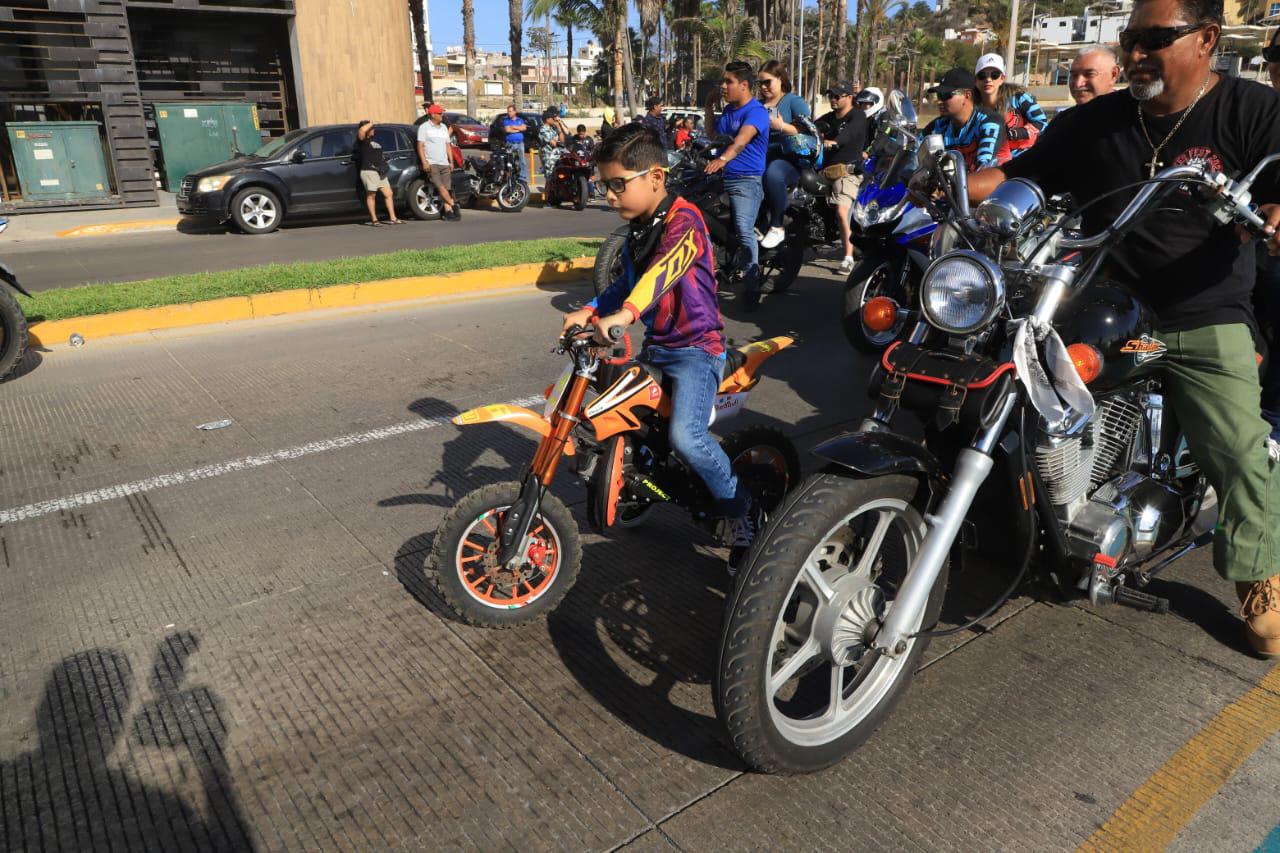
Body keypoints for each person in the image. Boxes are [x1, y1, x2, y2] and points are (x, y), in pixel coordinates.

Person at [967, 0, 1280, 657]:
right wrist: (962, 186)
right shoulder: (1095, 121)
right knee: (1003, 374)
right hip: (1105, 296)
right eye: (1128, 39)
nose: (1136, 53)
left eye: (1152, 39)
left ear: (1206, 39)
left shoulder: (1251, 109)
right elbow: (1021, 175)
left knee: (1237, 446)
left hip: (1206, 306)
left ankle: (1260, 572)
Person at [561, 125, 756, 572]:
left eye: (617, 184)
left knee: (687, 438)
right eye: (603, 185)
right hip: (660, 347)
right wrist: (588, 311)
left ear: (655, 177)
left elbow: (662, 274)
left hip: (697, 350)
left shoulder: (685, 221)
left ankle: (745, 512)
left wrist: (625, 315)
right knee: (624, 419)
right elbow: (621, 287)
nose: (608, 195)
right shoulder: (637, 232)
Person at [706, 61, 771, 310]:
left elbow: (741, 141)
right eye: (723, 81)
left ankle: (752, 283)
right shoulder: (730, 110)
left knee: (744, 229)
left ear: (744, 85)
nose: (723, 86)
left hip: (746, 181)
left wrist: (722, 159)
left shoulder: (756, 112)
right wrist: (709, 106)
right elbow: (714, 136)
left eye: (728, 82)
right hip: (722, 178)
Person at [758, 59, 814, 249]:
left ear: (781, 79)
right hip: (759, 157)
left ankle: (777, 225)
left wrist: (781, 126)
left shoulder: (793, 101)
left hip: (788, 159)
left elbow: (809, 131)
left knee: (773, 173)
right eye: (760, 83)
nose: (763, 87)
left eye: (768, 82)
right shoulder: (757, 105)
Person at [816, 81, 869, 274]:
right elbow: (813, 126)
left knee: (841, 211)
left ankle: (848, 257)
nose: (833, 99)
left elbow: (849, 134)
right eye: (831, 96)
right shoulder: (829, 118)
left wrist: (834, 142)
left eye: (837, 96)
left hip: (847, 173)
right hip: (826, 172)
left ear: (849, 97)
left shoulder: (858, 116)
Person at [921, 68, 1009, 171]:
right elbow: (916, 154)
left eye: (946, 95)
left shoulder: (989, 122)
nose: (940, 101)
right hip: (955, 184)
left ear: (967, 95)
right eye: (939, 96)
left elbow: (983, 168)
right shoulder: (938, 125)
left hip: (995, 183)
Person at [973, 53, 1048, 158]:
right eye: (982, 76)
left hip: (1026, 156)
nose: (988, 79)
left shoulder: (1019, 98)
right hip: (991, 162)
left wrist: (1013, 134)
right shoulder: (971, 108)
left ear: (1002, 78)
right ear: (976, 81)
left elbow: (1042, 124)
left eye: (994, 75)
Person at [416, 104, 462, 221]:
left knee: (446, 188)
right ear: (432, 114)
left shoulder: (443, 128)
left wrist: (451, 161)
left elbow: (447, 145)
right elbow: (420, 146)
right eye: (440, 113)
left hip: (444, 163)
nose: (442, 115)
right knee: (439, 186)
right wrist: (424, 162)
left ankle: (448, 213)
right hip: (432, 163)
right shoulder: (424, 127)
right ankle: (453, 205)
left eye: (442, 113)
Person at [353, 120, 402, 226]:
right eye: (371, 128)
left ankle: (393, 218)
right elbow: (361, 130)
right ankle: (374, 220)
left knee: (388, 193)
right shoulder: (362, 140)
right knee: (372, 195)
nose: (373, 130)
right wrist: (372, 123)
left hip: (380, 171)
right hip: (369, 171)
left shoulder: (374, 141)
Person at [501, 104, 529, 185]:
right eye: (508, 111)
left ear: (514, 111)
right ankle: (509, 178)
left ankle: (523, 177)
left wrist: (514, 127)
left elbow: (524, 128)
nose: (509, 113)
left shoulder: (520, 120)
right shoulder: (506, 120)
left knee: (522, 161)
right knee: (509, 161)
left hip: (520, 144)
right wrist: (519, 128)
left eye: (510, 111)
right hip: (510, 144)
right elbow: (508, 130)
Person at [538, 107, 567, 183]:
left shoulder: (553, 129)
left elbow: (562, 141)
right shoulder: (543, 130)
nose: (554, 120)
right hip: (549, 158)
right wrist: (559, 144)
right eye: (552, 118)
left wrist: (559, 128)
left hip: (556, 157)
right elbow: (553, 143)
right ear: (547, 119)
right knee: (550, 179)